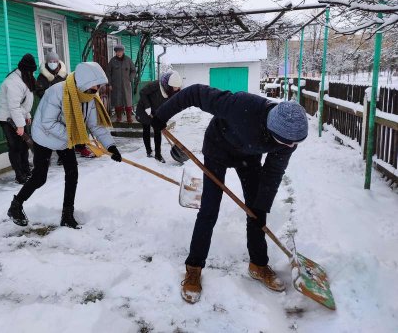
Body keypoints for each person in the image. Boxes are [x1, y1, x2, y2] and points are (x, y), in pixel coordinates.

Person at [150, 85, 308, 303]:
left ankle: (258, 264)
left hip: (249, 158)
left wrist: (262, 204)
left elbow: (273, 172)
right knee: (209, 210)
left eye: (295, 143)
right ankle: (194, 267)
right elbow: (194, 93)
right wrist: (161, 116)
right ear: (271, 127)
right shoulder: (241, 105)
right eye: (286, 142)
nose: (290, 146)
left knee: (256, 211)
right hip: (218, 150)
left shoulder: (288, 139)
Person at [7, 62, 122, 229]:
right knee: (39, 177)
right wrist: (74, 136)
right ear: (84, 82)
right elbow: (48, 122)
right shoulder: (57, 92)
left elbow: (95, 125)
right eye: (95, 85)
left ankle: (67, 215)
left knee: (72, 174)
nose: (97, 89)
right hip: (45, 136)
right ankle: (15, 206)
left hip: (66, 138)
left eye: (98, 85)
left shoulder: (88, 96)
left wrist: (111, 146)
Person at [36, 52, 95, 161]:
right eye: (50, 62)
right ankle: (62, 156)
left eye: (55, 61)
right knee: (58, 130)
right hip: (51, 108)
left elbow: (71, 87)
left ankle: (81, 147)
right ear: (47, 63)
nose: (52, 63)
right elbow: (39, 91)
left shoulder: (64, 75)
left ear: (58, 62)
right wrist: (51, 96)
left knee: (75, 125)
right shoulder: (42, 77)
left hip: (66, 105)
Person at [0, 53, 36, 184]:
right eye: (30, 71)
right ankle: (19, 174)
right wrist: (20, 125)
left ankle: (26, 169)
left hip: (17, 116)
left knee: (24, 145)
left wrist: (27, 115)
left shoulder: (25, 78)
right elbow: (13, 106)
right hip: (7, 119)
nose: (32, 74)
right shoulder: (13, 82)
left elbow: (25, 101)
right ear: (25, 70)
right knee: (15, 147)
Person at [136, 71, 182, 163]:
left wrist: (163, 119)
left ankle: (158, 154)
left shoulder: (172, 92)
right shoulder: (156, 85)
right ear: (169, 85)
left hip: (157, 111)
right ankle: (149, 151)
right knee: (146, 129)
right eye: (175, 87)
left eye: (178, 87)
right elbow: (143, 92)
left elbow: (169, 107)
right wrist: (147, 106)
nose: (176, 89)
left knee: (157, 131)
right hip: (145, 109)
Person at [107, 44, 136, 123]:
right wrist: (109, 84)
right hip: (115, 85)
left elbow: (133, 71)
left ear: (123, 51)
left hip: (126, 84)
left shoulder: (128, 60)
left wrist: (130, 78)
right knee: (118, 101)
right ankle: (119, 118)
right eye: (117, 52)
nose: (119, 53)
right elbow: (108, 73)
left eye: (120, 51)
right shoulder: (112, 61)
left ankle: (129, 118)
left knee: (128, 101)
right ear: (115, 52)